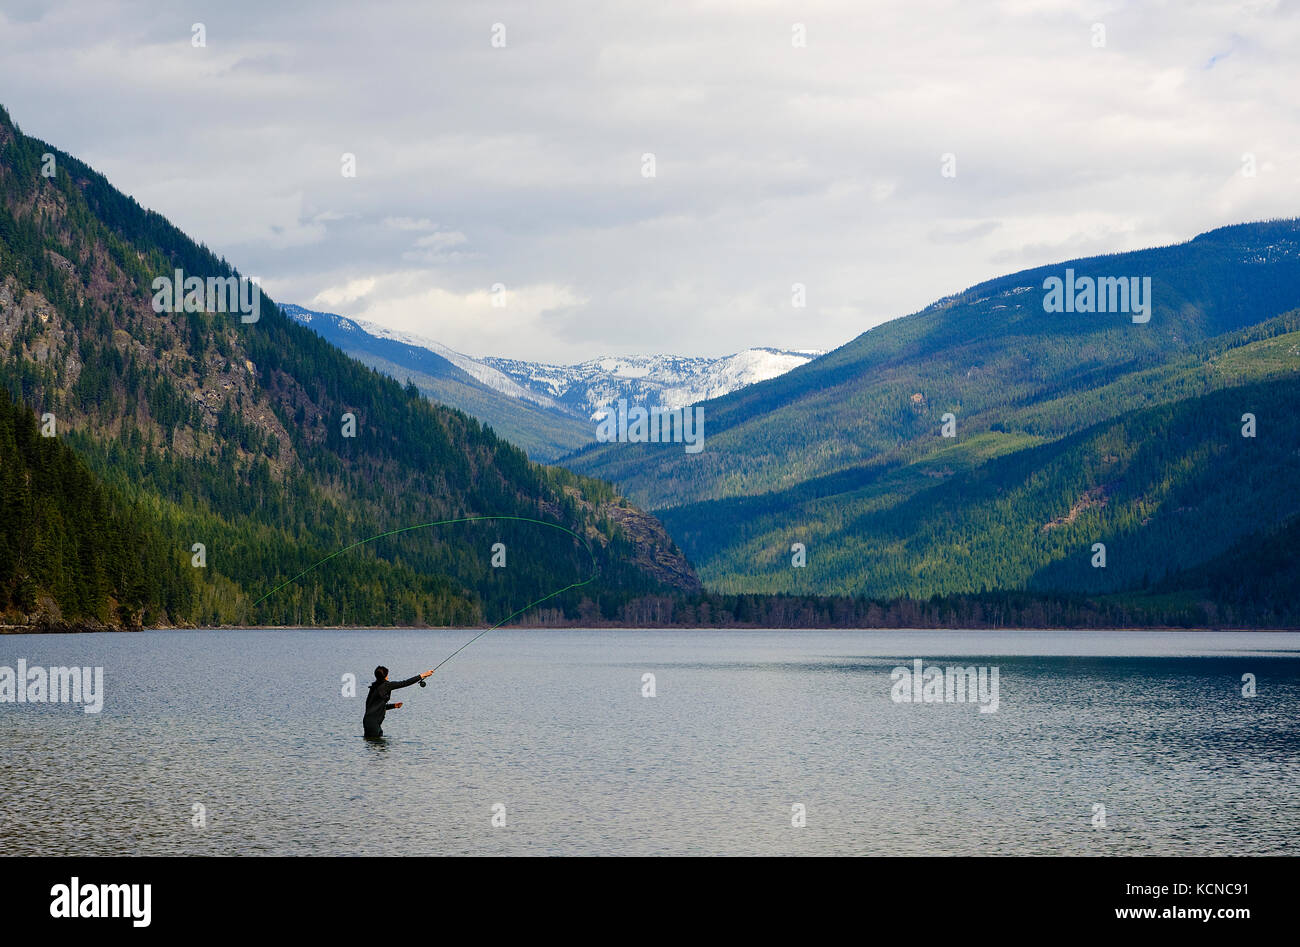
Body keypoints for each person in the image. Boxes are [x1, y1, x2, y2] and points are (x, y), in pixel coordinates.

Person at [363, 665, 433, 738]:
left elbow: (375, 706)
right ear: (385, 676)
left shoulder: (374, 687)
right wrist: (423, 675)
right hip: (373, 724)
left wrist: (394, 706)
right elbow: (405, 683)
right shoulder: (386, 685)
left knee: (374, 746)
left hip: (368, 721)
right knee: (378, 746)